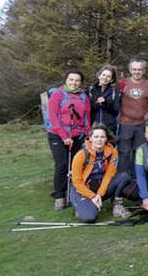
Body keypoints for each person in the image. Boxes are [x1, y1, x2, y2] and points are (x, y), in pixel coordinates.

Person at [46, 69, 91, 210]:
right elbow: (53, 118)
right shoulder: (57, 95)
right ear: (66, 80)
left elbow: (87, 117)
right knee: (62, 165)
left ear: (81, 82)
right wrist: (64, 137)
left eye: (77, 80)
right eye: (71, 79)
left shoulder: (83, 96)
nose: (74, 82)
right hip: (57, 135)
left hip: (77, 136)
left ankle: (73, 193)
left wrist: (86, 133)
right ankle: (59, 196)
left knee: (75, 165)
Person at [70, 124, 131, 221]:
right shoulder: (80, 155)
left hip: (100, 189)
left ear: (106, 138)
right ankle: (82, 206)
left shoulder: (112, 152)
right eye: (96, 137)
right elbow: (77, 182)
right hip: (82, 190)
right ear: (90, 138)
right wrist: (93, 196)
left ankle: (117, 206)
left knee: (124, 177)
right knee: (90, 218)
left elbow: (109, 175)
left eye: (102, 137)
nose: (99, 140)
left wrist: (99, 195)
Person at [117, 59, 148, 176]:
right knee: (124, 153)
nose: (137, 72)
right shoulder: (122, 84)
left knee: (138, 152)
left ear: (144, 71)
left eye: (140, 69)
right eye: (134, 69)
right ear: (130, 70)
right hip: (125, 123)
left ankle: (136, 180)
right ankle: (122, 179)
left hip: (141, 124)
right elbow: (113, 99)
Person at [86, 64, 120, 130]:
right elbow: (87, 109)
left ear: (111, 79)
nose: (105, 78)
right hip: (92, 127)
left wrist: (105, 103)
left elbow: (116, 111)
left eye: (108, 76)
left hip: (108, 128)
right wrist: (97, 103)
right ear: (99, 75)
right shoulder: (90, 90)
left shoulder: (114, 92)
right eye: (103, 75)